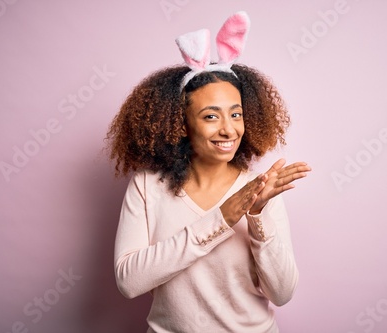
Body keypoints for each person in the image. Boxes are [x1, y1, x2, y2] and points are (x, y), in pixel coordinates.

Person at [105, 11, 311, 333]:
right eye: (211, 117)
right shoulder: (147, 186)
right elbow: (129, 282)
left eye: (236, 114)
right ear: (182, 125)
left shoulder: (260, 190)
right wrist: (221, 220)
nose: (229, 130)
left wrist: (257, 217)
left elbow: (282, 294)